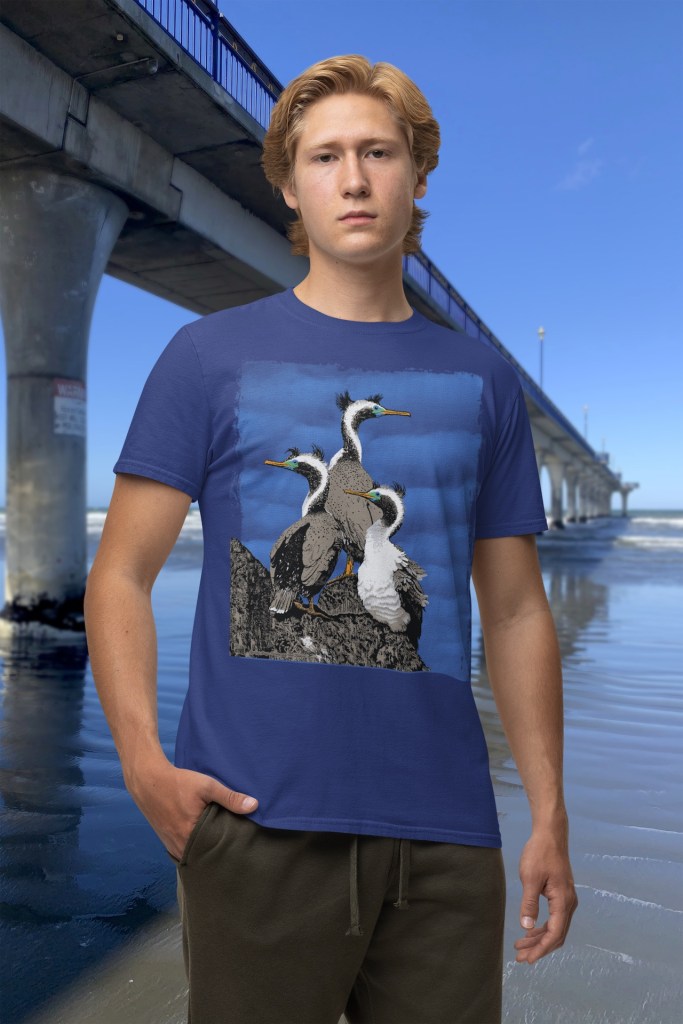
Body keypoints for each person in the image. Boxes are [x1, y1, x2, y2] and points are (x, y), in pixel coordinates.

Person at [84, 53, 577, 1024]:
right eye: (324, 157)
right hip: (254, 830)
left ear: (416, 176)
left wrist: (549, 814)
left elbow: (517, 609)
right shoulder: (204, 358)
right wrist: (143, 764)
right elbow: (122, 574)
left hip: (445, 842)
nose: (353, 179)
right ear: (288, 184)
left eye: (377, 153)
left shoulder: (483, 383)